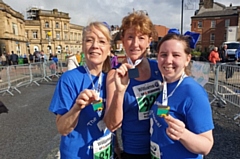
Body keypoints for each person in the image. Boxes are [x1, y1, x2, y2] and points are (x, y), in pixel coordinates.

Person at [49, 21, 113, 159]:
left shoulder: (110, 79)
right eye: (89, 40)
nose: (95, 45)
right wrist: (77, 108)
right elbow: (62, 128)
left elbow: (109, 123)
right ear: (83, 46)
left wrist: (117, 146)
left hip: (105, 153)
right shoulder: (69, 79)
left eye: (102, 41)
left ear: (109, 49)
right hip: (76, 155)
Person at [104, 11, 163, 159]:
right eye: (130, 37)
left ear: (149, 41)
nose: (135, 44)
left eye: (141, 38)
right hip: (135, 150)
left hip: (163, 146)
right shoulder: (114, 75)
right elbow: (111, 125)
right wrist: (120, 91)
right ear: (123, 40)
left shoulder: (159, 68)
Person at [150, 29, 214, 159]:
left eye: (176, 55)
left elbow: (206, 146)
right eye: (163, 54)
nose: (168, 60)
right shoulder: (165, 85)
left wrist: (183, 134)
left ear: (187, 59)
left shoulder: (193, 92)